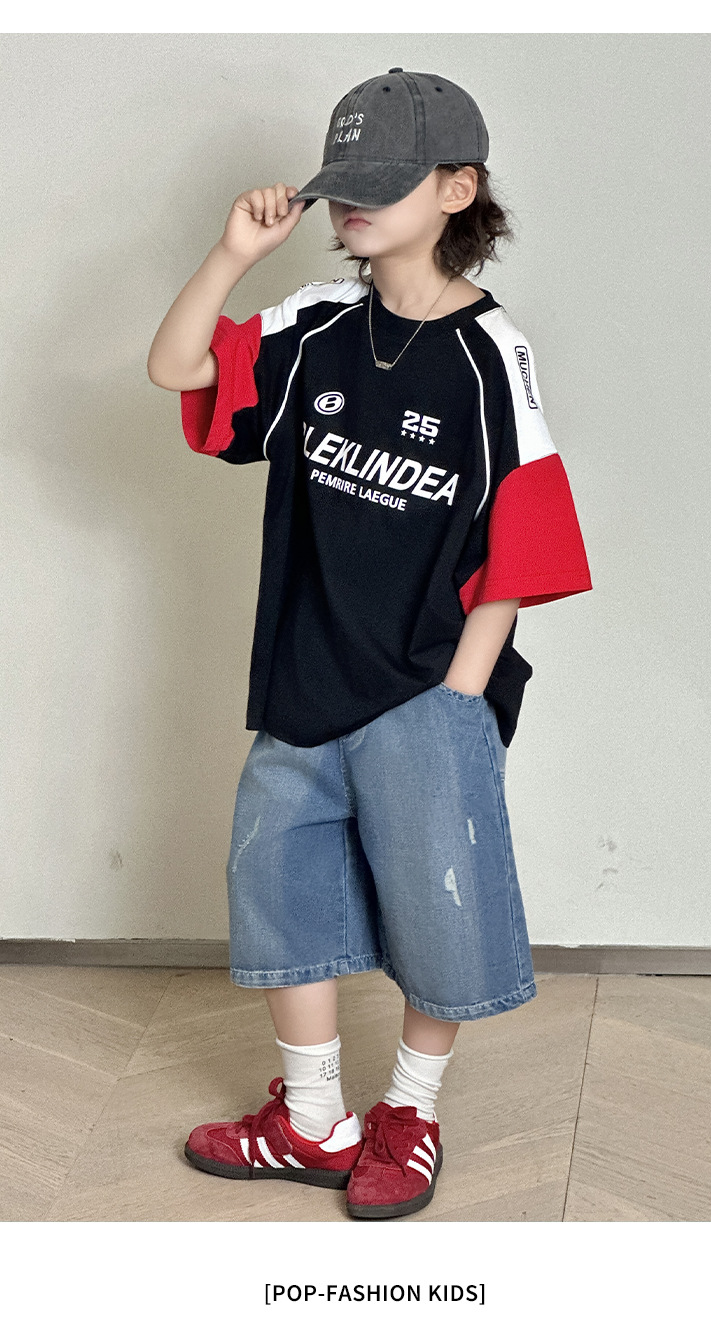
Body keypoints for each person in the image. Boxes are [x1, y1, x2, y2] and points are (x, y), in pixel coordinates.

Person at [147, 67, 592, 1220]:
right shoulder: (315, 326)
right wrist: (232, 257)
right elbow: (177, 368)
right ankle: (311, 1120)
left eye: (382, 183)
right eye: (341, 183)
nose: (352, 204)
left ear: (457, 189)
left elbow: (523, 536)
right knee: (280, 890)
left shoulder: (492, 353)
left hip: (425, 688)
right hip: (303, 676)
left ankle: (409, 1113)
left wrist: (460, 694)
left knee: (437, 907)